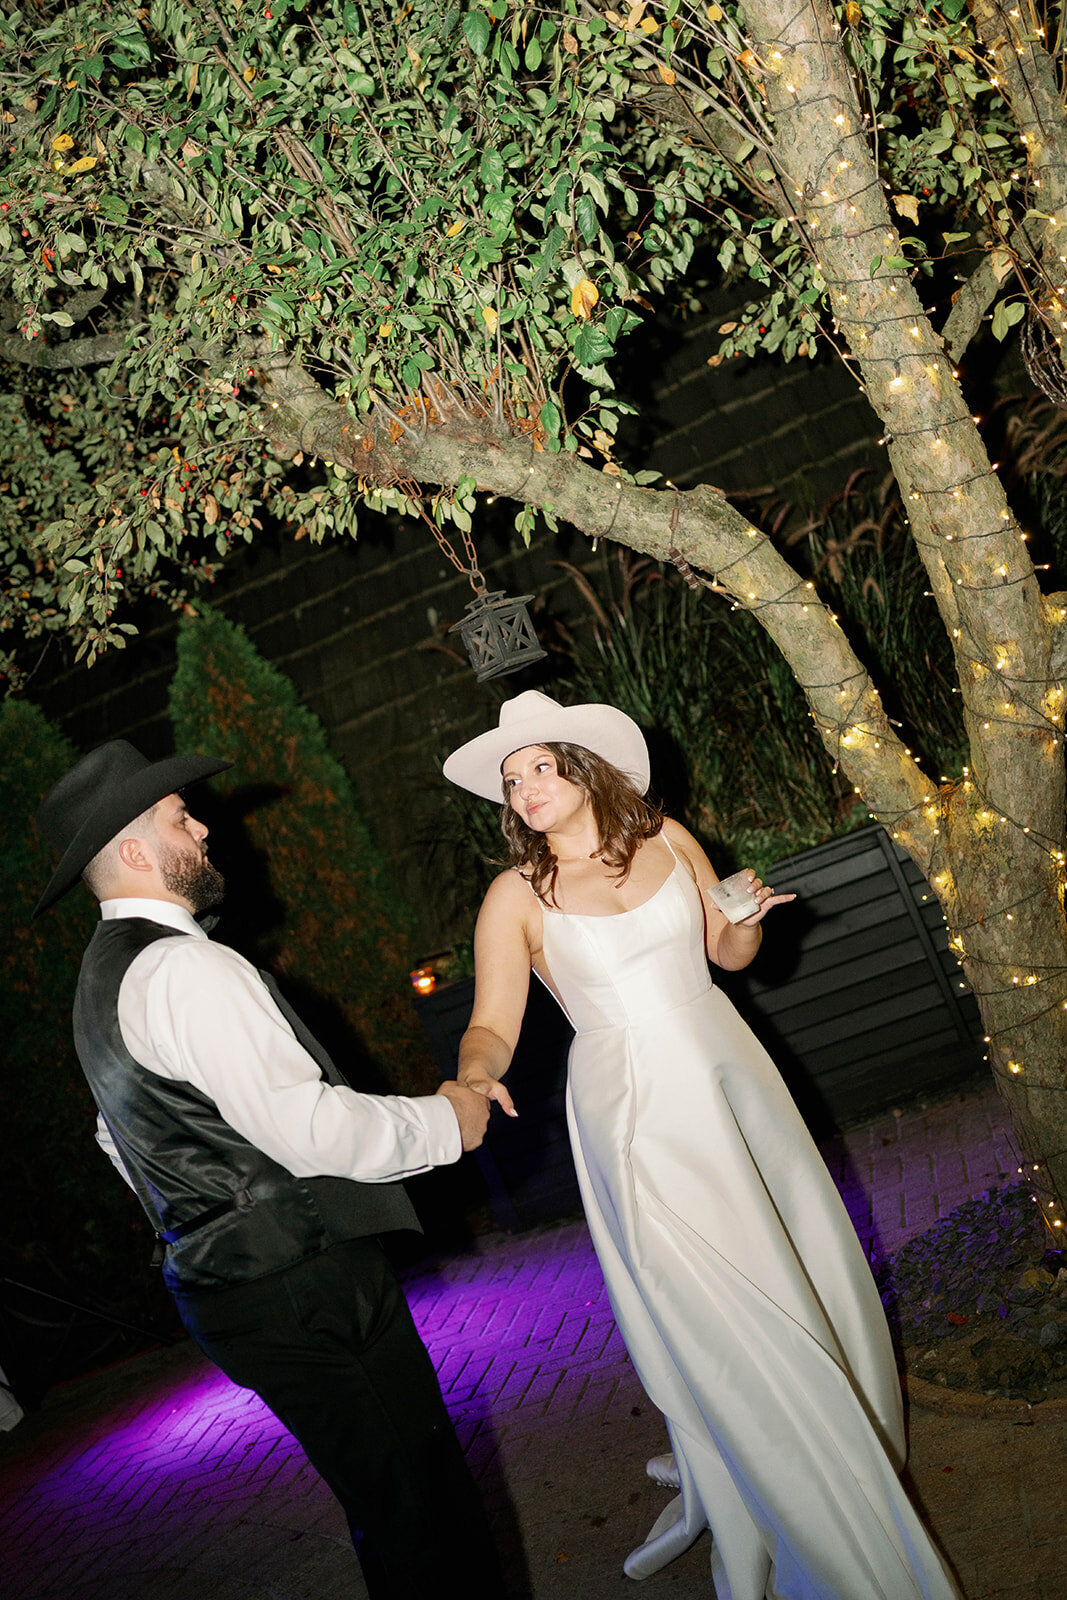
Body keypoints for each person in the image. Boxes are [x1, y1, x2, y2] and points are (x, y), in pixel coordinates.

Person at [444, 690, 961, 1600]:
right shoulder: (513, 898)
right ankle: (782, 1459)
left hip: (730, 1075)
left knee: (784, 1252)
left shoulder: (668, 839)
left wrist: (749, 916)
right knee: (714, 1305)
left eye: (538, 767)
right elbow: (491, 1024)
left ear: (584, 765)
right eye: (510, 779)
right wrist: (475, 1073)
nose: (523, 789)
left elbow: (728, 954)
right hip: (633, 1113)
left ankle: (840, 1418)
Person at [33, 739, 505, 1600]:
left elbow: (120, 1143)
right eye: (181, 819)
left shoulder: (98, 984)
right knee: (426, 1513)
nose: (204, 828)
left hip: (233, 1292)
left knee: (391, 1511)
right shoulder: (186, 967)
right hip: (304, 1279)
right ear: (136, 853)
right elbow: (309, 1128)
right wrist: (449, 1121)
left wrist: (207, 1219)